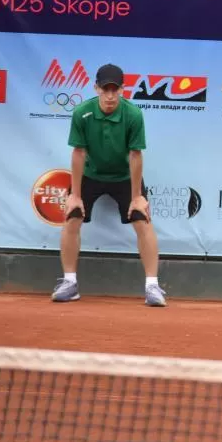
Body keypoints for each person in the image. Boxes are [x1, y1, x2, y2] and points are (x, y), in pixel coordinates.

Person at [52, 63, 166, 307]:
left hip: (125, 176)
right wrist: (75, 195)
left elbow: (135, 155)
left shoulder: (133, 115)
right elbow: (78, 153)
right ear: (97, 88)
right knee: (72, 216)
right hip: (90, 174)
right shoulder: (82, 113)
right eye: (106, 90)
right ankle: (70, 283)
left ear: (123, 89)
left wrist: (136, 197)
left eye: (115, 90)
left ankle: (152, 286)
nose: (111, 96)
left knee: (142, 218)